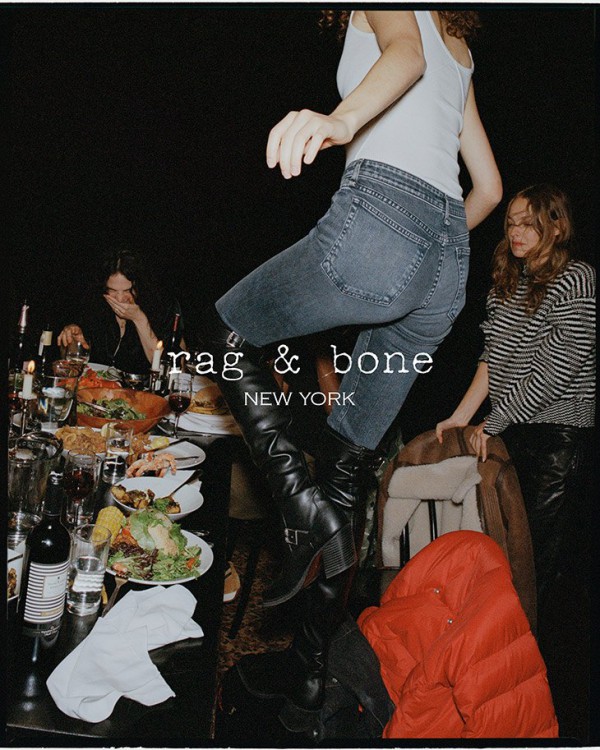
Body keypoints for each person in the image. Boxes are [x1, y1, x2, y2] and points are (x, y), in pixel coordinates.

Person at [209, 10, 502, 731]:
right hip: (447, 266)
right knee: (347, 465)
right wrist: (429, 252)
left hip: (384, 218)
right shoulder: (461, 46)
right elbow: (490, 189)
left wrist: (339, 122)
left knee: (226, 331)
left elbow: (405, 55)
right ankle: (310, 676)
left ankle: (296, 507)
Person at [436, 184, 595, 621]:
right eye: (511, 223)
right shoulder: (507, 283)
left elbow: (557, 370)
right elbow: (492, 358)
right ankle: (496, 643)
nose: (516, 233)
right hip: (512, 429)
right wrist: (460, 417)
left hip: (557, 438)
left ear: (556, 227)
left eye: (529, 223)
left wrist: (493, 422)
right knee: (502, 548)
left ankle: (526, 650)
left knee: (534, 563)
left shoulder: (576, 279)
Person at [57, 248, 184, 374]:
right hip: (95, 383)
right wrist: (72, 342)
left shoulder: (162, 308)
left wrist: (139, 319)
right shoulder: (94, 304)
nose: (120, 298)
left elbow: (172, 371)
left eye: (127, 290)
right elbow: (71, 363)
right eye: (112, 290)